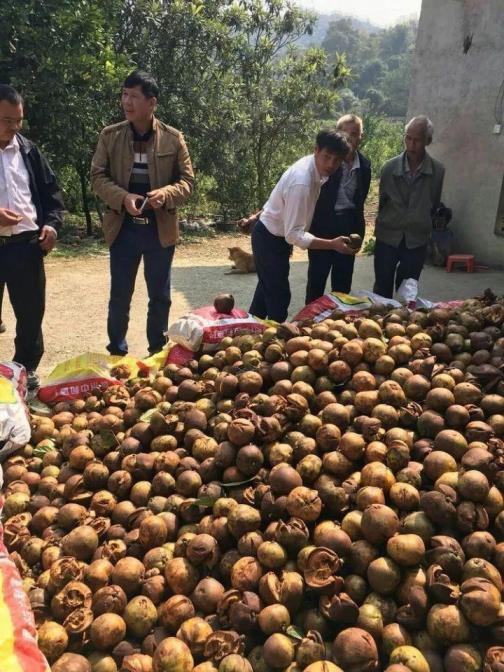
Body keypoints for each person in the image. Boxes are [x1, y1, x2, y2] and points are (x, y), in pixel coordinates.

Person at [91, 70, 194, 356]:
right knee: (120, 294)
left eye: (134, 96)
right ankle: (117, 350)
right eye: (124, 94)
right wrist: (123, 197)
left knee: (159, 296)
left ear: (152, 103)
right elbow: (97, 176)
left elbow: (187, 182)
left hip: (158, 228)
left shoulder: (173, 139)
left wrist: (166, 194)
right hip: (123, 227)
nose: (127, 101)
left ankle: (157, 351)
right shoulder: (110, 136)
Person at [241, 128, 356, 322]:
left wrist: (256, 216)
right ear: (316, 150)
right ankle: (274, 344)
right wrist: (333, 244)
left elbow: (278, 201)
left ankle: (248, 331)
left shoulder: (315, 168)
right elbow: (293, 236)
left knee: (266, 292)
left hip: (273, 236)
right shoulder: (302, 181)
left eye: (336, 160)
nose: (330, 164)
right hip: (270, 239)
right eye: (327, 157)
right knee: (278, 299)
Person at [0, 84, 64, 390]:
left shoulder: (28, 150)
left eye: (18, 121)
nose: (13, 127)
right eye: (6, 120)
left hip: (25, 246)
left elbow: (52, 194)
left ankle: (25, 371)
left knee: (30, 314)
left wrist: (51, 225)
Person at [373, 115, 445, 298]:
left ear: (428, 141)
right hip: (388, 235)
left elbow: (434, 203)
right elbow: (383, 201)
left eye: (417, 140)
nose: (411, 145)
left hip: (416, 238)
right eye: (408, 138)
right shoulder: (389, 168)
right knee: (382, 286)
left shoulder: (437, 171)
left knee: (407, 290)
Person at [306, 114, 371, 302]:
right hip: (323, 226)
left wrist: (359, 233)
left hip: (349, 226)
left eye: (355, 133)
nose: (350, 138)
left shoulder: (365, 166)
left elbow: (361, 200)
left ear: (361, 137)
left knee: (343, 283)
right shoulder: (328, 162)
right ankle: (309, 322)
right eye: (345, 133)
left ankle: (338, 323)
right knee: (316, 281)